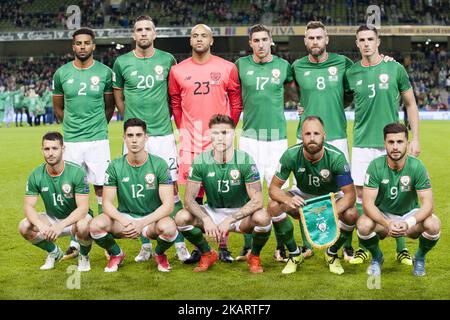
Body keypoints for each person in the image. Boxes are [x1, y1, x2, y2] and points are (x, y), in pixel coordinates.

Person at [112, 15, 190, 263]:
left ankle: (178, 243)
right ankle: (145, 244)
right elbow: (119, 98)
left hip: (163, 135)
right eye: (139, 30)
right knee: (141, 192)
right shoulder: (121, 62)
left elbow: (173, 95)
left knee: (172, 190)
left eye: (148, 29)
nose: (143, 33)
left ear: (154, 34)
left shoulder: (167, 60)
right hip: (136, 136)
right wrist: (133, 123)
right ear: (133, 35)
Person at [346, 25, 421, 265]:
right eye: (362, 40)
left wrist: (416, 138)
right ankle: (366, 247)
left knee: (395, 195)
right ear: (356, 44)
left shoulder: (394, 68)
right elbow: (339, 99)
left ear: (378, 41)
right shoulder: (351, 72)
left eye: (370, 39)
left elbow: (410, 104)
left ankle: (401, 249)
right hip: (361, 144)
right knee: (361, 197)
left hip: (392, 142)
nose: (366, 43)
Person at [169, 24, 243, 263]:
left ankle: (223, 246)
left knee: (221, 194)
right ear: (190, 41)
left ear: (211, 41)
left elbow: (236, 101)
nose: (199, 39)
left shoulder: (227, 68)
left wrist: (226, 130)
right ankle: (202, 248)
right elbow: (175, 103)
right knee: (195, 198)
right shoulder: (178, 71)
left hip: (219, 141)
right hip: (191, 140)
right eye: (194, 36)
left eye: (204, 35)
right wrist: (185, 129)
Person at [175, 114, 272, 273]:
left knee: (263, 217)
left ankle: (254, 256)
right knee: (181, 217)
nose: (220, 138)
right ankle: (207, 254)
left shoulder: (245, 160)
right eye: (215, 133)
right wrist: (206, 219)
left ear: (233, 134)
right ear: (210, 135)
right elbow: (189, 200)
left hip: (240, 215)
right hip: (213, 211)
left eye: (225, 133)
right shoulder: (201, 161)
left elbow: (258, 200)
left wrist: (230, 219)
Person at [291, 21, 355, 260]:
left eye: (319, 37)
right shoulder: (297, 66)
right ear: (305, 41)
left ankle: (344, 245)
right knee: (303, 191)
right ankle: (307, 244)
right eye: (310, 38)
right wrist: (298, 104)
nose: (315, 41)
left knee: (344, 192)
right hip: (305, 138)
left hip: (336, 137)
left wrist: (336, 106)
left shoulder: (343, 63)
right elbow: (289, 89)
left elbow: (349, 93)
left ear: (326, 39)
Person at [52, 27, 115, 260]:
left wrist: (97, 126)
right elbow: (58, 108)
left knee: (101, 188)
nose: (82, 47)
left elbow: (110, 107)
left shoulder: (105, 72)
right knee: (74, 190)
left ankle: (104, 237)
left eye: (86, 43)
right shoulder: (61, 74)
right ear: (73, 46)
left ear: (93, 46)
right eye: (78, 43)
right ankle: (75, 240)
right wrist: (72, 127)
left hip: (98, 139)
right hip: (72, 141)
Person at [268, 116, 358, 274]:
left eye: (316, 133)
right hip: (302, 196)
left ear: (324, 135)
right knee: (274, 206)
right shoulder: (291, 155)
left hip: (330, 196)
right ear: (301, 136)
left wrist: (331, 212)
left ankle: (332, 254)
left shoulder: (336, 157)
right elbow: (273, 189)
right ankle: (295, 254)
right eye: (307, 134)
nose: (312, 138)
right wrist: (288, 199)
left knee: (351, 213)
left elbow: (350, 195)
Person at [235, 24, 294, 263]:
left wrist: (299, 104)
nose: (260, 44)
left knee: (278, 197)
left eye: (264, 40)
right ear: (250, 43)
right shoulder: (240, 66)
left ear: (271, 41)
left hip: (277, 140)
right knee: (249, 196)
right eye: (255, 40)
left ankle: (282, 248)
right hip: (249, 139)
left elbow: (294, 91)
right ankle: (248, 248)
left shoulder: (283, 66)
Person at [89, 118, 178, 272]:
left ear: (146, 137)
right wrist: (126, 222)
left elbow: (168, 205)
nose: (134, 140)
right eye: (130, 136)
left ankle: (159, 253)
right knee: (95, 226)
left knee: (170, 228)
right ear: (124, 138)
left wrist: (142, 223)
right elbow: (107, 204)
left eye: (138, 135)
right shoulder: (115, 166)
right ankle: (116, 254)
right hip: (125, 220)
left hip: (151, 220)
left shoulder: (159, 164)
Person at [357, 123, 440, 277]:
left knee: (433, 224)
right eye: (391, 142)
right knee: (363, 225)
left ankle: (419, 258)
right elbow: (368, 204)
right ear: (385, 144)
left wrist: (409, 222)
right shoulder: (375, 166)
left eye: (400, 142)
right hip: (384, 217)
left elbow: (428, 204)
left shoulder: (417, 167)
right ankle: (377, 258)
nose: (395, 147)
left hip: (409, 216)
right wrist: (387, 223)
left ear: (407, 144)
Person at [18, 132, 93, 271]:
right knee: (24, 226)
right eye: (47, 149)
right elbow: (28, 207)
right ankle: (54, 251)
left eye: (54, 148)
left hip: (75, 220)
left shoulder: (77, 172)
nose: (50, 153)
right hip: (52, 219)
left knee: (83, 226)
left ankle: (83, 255)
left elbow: (83, 208)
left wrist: (61, 226)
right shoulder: (36, 174)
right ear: (42, 150)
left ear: (63, 149)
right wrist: (40, 225)